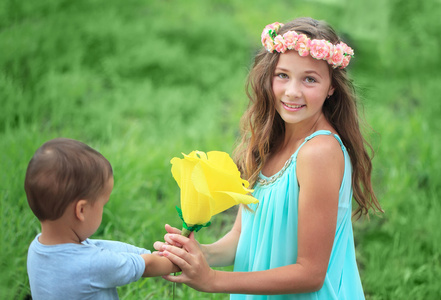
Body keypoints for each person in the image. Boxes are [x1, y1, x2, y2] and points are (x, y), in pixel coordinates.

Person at [154, 17, 383, 299]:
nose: (292, 91)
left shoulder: (319, 153)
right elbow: (243, 238)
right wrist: (201, 254)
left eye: (310, 79)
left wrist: (213, 280)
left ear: (331, 87)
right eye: (282, 75)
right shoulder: (270, 142)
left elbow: (310, 273)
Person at [25, 138, 179, 300]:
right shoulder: (91, 265)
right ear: (81, 210)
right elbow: (145, 266)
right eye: (103, 204)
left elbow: (100, 247)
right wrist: (177, 261)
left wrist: (150, 253)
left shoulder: (37, 249)